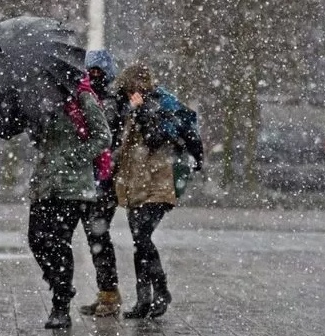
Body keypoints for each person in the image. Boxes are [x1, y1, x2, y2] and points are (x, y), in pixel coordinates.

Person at [113, 63, 203, 319]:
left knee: (142, 238)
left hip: (158, 182)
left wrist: (142, 112)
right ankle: (144, 300)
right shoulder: (130, 107)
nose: (129, 93)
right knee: (139, 243)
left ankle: (161, 291)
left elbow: (155, 138)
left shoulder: (158, 105)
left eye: (131, 88)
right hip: (135, 183)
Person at [27, 73, 112, 329]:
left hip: (73, 187)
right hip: (45, 184)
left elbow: (103, 136)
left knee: (59, 243)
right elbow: (43, 141)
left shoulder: (83, 98)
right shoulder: (41, 101)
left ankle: (60, 305)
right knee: (36, 239)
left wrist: (76, 156)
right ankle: (60, 284)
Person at [77, 49, 125, 317]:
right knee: (95, 237)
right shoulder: (89, 98)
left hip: (103, 181)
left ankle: (109, 294)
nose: (94, 76)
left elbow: (105, 137)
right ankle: (106, 292)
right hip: (91, 180)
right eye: (90, 71)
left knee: (98, 236)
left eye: (99, 72)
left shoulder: (109, 102)